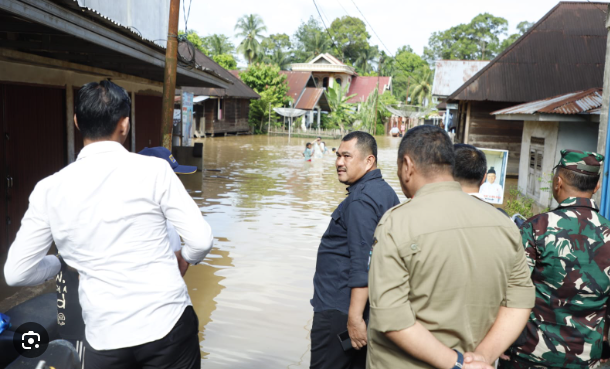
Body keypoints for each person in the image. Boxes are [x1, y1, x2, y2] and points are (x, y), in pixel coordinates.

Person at [4, 80, 213, 369]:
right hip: (167, 325)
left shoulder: (48, 189)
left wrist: (59, 263)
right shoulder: (155, 171)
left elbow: (16, 273)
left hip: (105, 337)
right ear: (124, 124)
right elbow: (201, 240)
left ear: (77, 122)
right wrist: (185, 259)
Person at [367, 125, 535, 369]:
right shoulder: (504, 224)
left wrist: (457, 364)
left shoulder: (397, 223)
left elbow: (391, 317)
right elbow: (520, 301)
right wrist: (483, 357)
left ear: (407, 166)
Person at [501, 150, 610, 369]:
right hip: (587, 357)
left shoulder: (536, 228)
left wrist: (501, 340)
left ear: (557, 182)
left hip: (530, 354)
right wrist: (604, 341)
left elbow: (511, 289)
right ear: (596, 187)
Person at [310, 131, 399, 369]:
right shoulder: (385, 192)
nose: (339, 162)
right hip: (365, 310)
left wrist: (354, 317)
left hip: (341, 309)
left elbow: (363, 263)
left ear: (369, 161)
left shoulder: (360, 201)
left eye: (347, 156)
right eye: (338, 155)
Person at [453, 144, 509, 216]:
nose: (491, 178)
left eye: (492, 177)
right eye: (489, 177)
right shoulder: (504, 218)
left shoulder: (438, 212)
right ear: (484, 177)